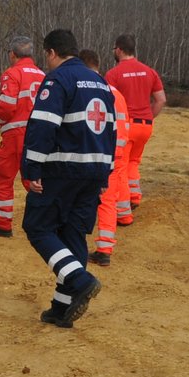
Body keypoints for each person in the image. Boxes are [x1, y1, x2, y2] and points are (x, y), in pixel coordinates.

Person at [22, 29, 115, 328]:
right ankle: (62, 308)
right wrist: (105, 172)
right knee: (72, 234)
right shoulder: (101, 83)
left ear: (51, 52)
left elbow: (43, 127)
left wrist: (31, 169)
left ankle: (79, 279)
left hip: (62, 170)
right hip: (94, 171)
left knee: (37, 226)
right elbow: (111, 131)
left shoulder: (57, 80)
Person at [0, 36, 44, 237]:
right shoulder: (42, 75)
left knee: (4, 177)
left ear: (12, 54)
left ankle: (3, 224)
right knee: (34, 179)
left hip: (16, 134)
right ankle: (49, 219)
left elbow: (6, 106)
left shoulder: (12, 73)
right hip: (38, 134)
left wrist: (0, 121)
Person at [104, 34, 166, 224]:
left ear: (120, 50)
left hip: (126, 127)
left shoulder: (113, 74)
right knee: (134, 162)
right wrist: (148, 116)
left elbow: (108, 101)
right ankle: (134, 197)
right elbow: (161, 99)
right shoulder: (149, 71)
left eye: (114, 49)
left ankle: (123, 213)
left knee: (120, 167)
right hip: (145, 125)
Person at [80, 48, 131, 266]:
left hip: (101, 155)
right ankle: (105, 248)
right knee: (109, 200)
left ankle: (91, 245)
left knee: (90, 198)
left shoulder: (90, 91)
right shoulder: (116, 93)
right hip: (119, 154)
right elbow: (124, 124)